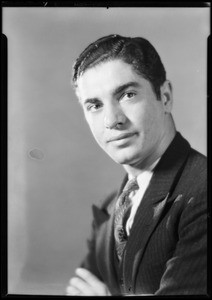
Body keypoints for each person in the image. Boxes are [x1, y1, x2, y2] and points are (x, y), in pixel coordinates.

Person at [66, 34, 207, 296]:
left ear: (164, 97)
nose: (111, 120)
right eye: (95, 105)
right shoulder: (111, 208)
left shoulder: (203, 191)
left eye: (127, 94)